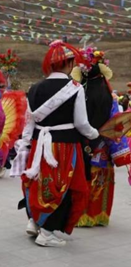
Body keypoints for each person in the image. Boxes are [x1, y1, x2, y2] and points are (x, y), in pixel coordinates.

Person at [17, 41, 99, 247]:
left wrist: (25, 144)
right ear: (69, 63)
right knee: (63, 185)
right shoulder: (75, 88)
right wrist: (95, 133)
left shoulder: (34, 88)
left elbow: (29, 121)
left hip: (38, 143)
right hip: (64, 146)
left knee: (37, 181)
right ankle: (46, 231)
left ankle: (34, 221)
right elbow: (81, 123)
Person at [72, 48, 130, 227]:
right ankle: (98, 215)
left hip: (80, 144)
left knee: (82, 178)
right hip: (102, 146)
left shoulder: (77, 94)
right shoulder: (110, 98)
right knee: (101, 181)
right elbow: (115, 124)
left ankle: (79, 215)